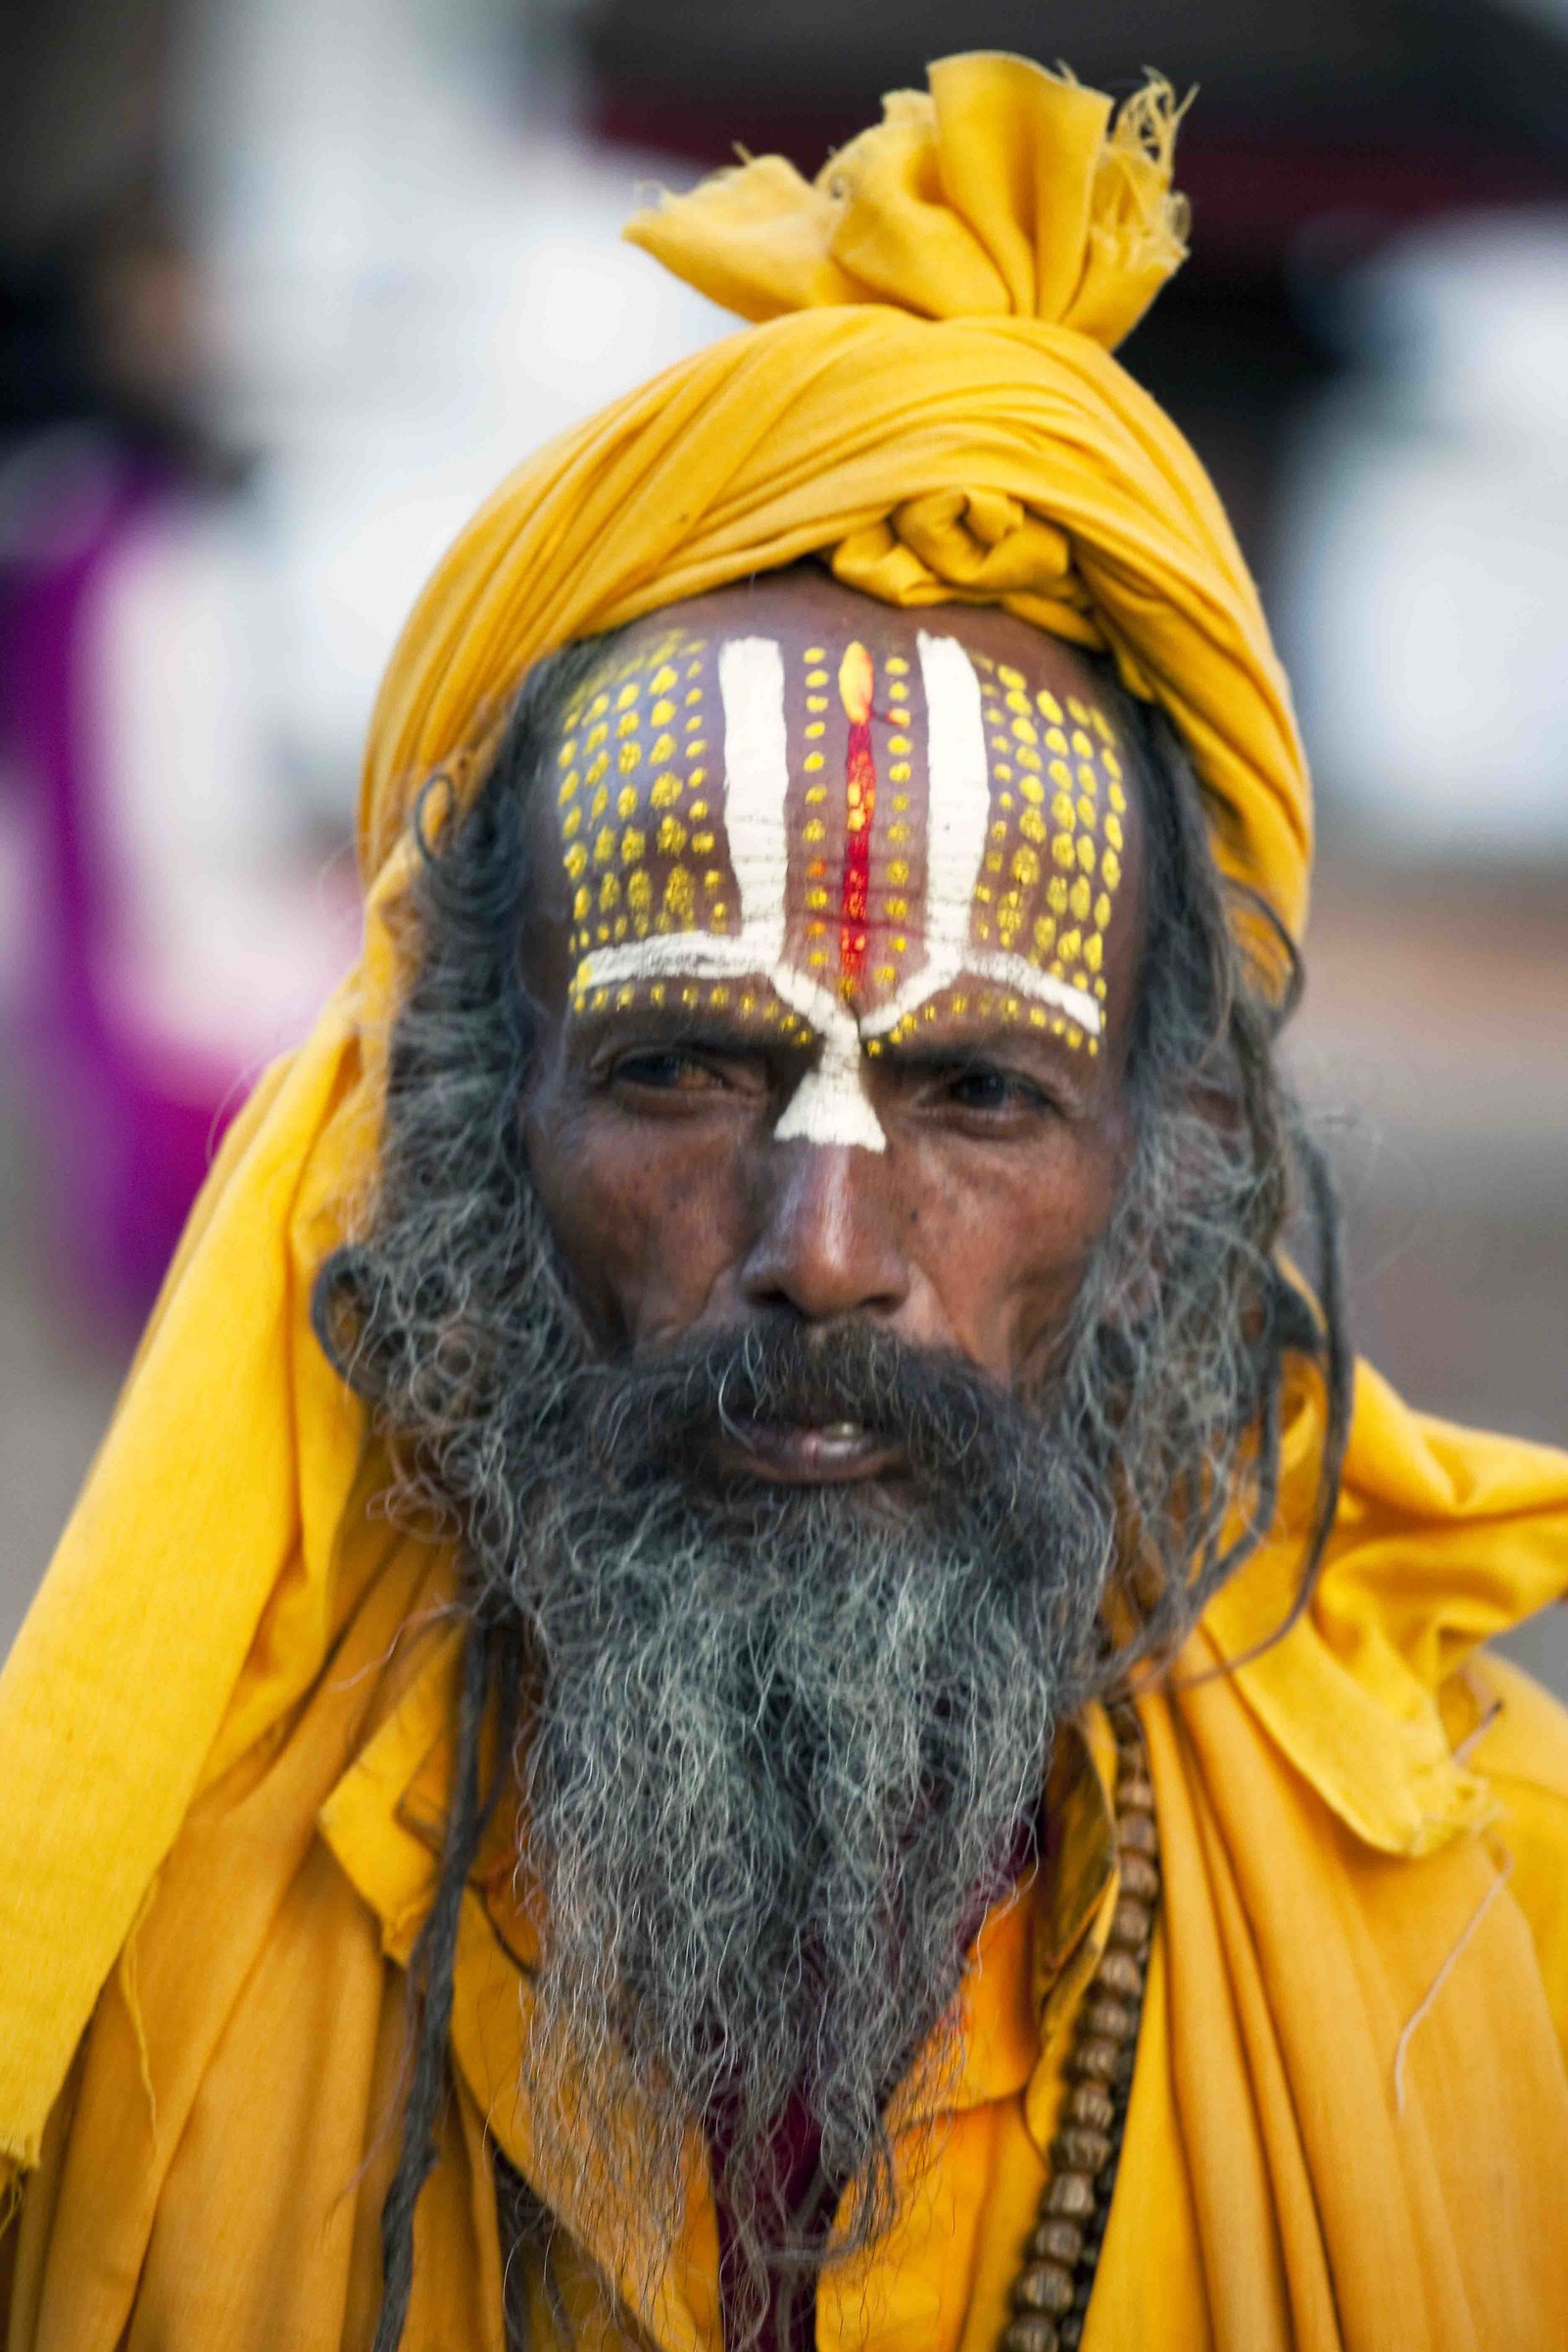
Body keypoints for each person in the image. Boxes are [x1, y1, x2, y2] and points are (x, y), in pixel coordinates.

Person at [2, 52, 1566, 2352]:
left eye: (971, 1096)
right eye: (680, 1072)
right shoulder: (130, 1944)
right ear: (459, 1120)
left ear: (1170, 1176)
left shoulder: (1499, 1946)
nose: (821, 1250)